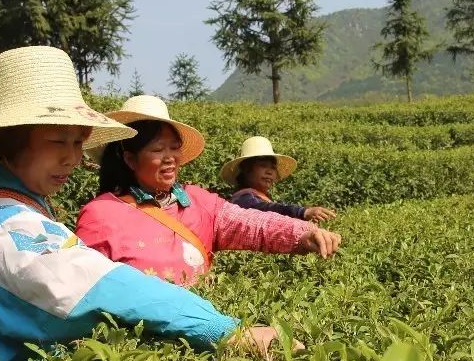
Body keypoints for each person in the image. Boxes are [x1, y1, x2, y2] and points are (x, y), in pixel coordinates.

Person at [0, 47, 277, 361]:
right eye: (58, 141)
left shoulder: (7, 200)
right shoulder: (4, 225)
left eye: (78, 142)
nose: (72, 158)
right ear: (6, 141)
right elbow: (101, 287)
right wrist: (226, 330)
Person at [74, 96, 341, 287]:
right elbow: (88, 290)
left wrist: (302, 233)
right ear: (130, 159)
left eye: (174, 147)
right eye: (157, 150)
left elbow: (251, 224)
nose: (170, 158)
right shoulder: (101, 215)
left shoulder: (197, 201)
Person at [220, 135, 336, 223]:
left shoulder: (259, 196)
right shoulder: (243, 198)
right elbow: (265, 210)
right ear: (246, 168)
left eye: (273, 168)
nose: (269, 172)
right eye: (263, 165)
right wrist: (302, 212)